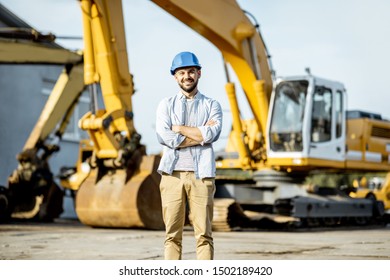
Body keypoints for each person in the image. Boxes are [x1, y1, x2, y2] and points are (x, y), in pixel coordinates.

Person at [155, 51, 223, 260]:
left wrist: (178, 128)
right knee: (172, 235)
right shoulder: (165, 105)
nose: (187, 76)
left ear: (199, 73)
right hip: (172, 175)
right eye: (182, 72)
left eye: (191, 71)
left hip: (201, 176)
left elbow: (214, 133)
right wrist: (200, 134)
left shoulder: (212, 105)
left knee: (203, 235)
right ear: (175, 77)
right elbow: (164, 136)